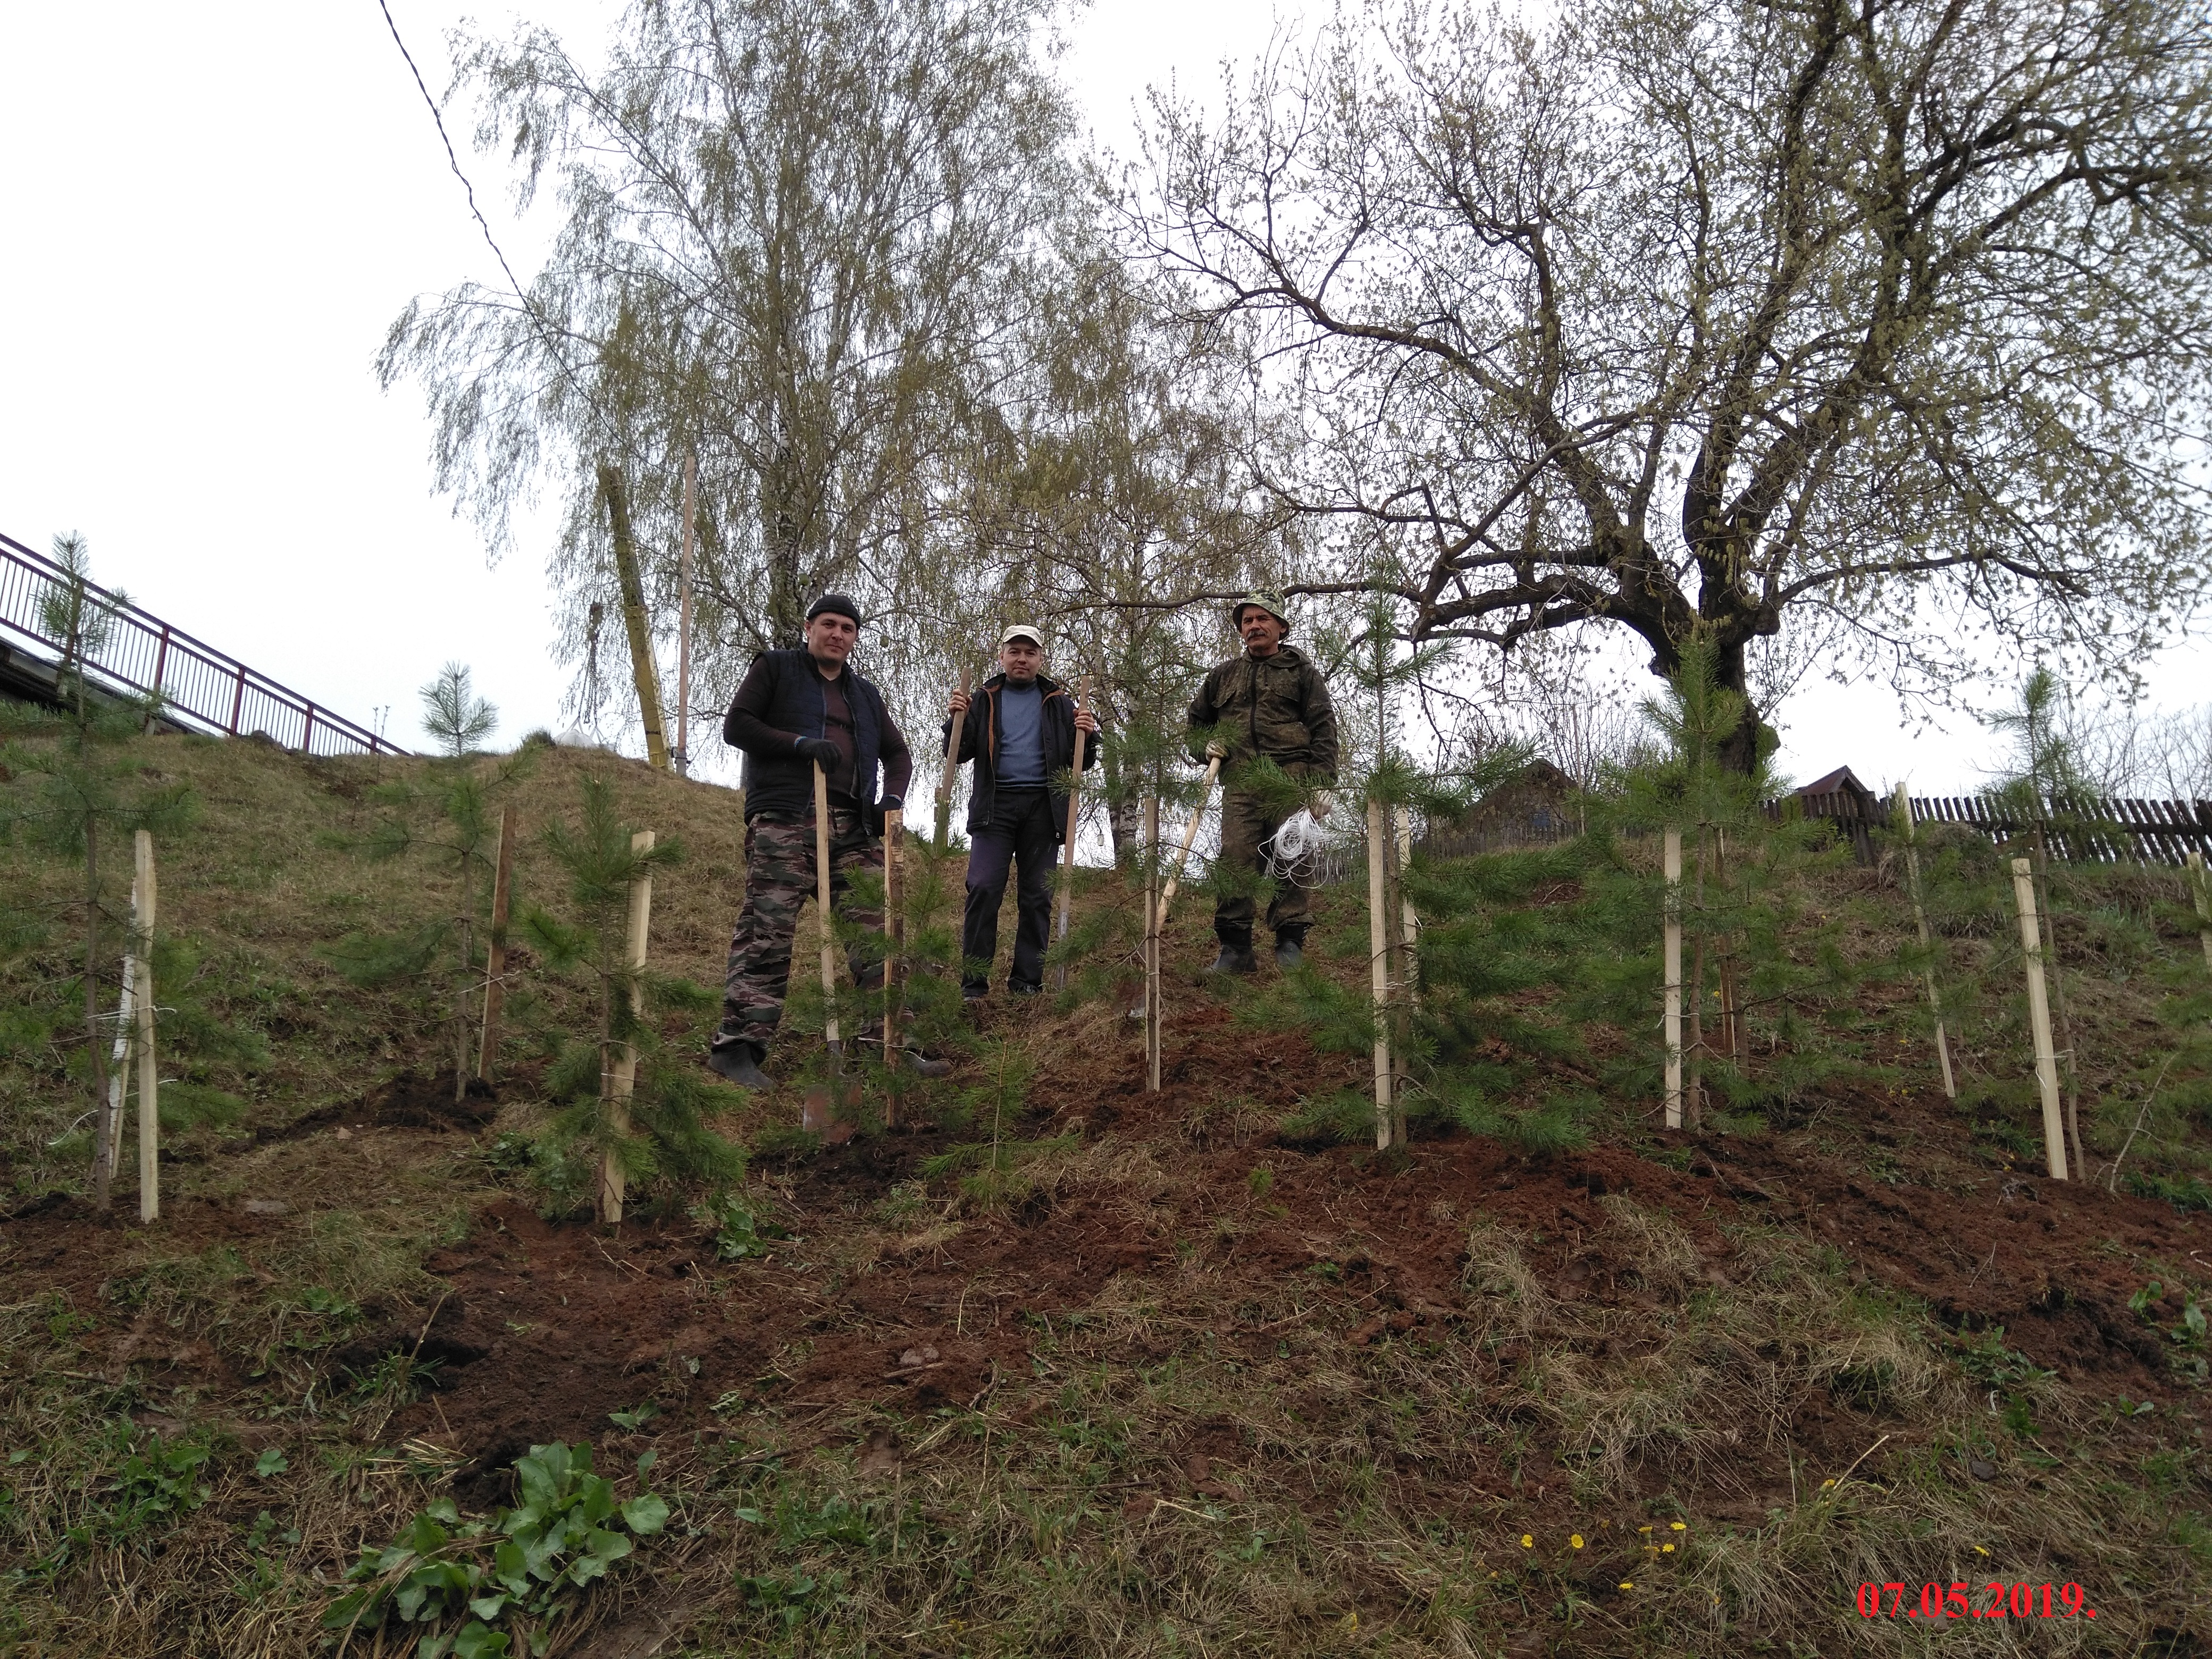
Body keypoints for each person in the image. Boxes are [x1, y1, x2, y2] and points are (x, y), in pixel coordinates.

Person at [709, 593, 939, 1087]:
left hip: (853, 829)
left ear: (854, 638)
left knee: (879, 933)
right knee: (768, 932)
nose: (837, 634)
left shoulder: (865, 695)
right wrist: (798, 745)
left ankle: (886, 1045)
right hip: (786, 819)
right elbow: (738, 725)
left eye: (848, 628)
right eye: (829, 624)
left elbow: (898, 754)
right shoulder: (776, 668)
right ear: (809, 627)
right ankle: (738, 1048)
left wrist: (891, 801)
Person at [1185, 590, 1339, 973]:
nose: (1254, 626)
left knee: (1294, 856)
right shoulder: (1222, 676)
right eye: (1247, 621)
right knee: (1235, 858)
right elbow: (1195, 725)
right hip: (1240, 781)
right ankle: (1235, 949)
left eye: (1262, 619)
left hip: (1291, 779)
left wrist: (1322, 783)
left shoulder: (1302, 672)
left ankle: (1290, 943)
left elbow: (1323, 727)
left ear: (1281, 627)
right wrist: (1205, 747)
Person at [945, 625, 1102, 999]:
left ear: (1040, 659)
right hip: (994, 808)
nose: (1022, 659)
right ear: (1002, 656)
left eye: (1030, 653)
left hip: (1043, 809)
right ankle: (974, 985)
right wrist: (957, 719)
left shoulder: (1059, 703)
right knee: (983, 887)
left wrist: (1088, 733)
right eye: (1014, 651)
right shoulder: (984, 699)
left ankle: (1026, 983)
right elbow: (957, 751)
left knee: (1037, 896)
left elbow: (1081, 761)